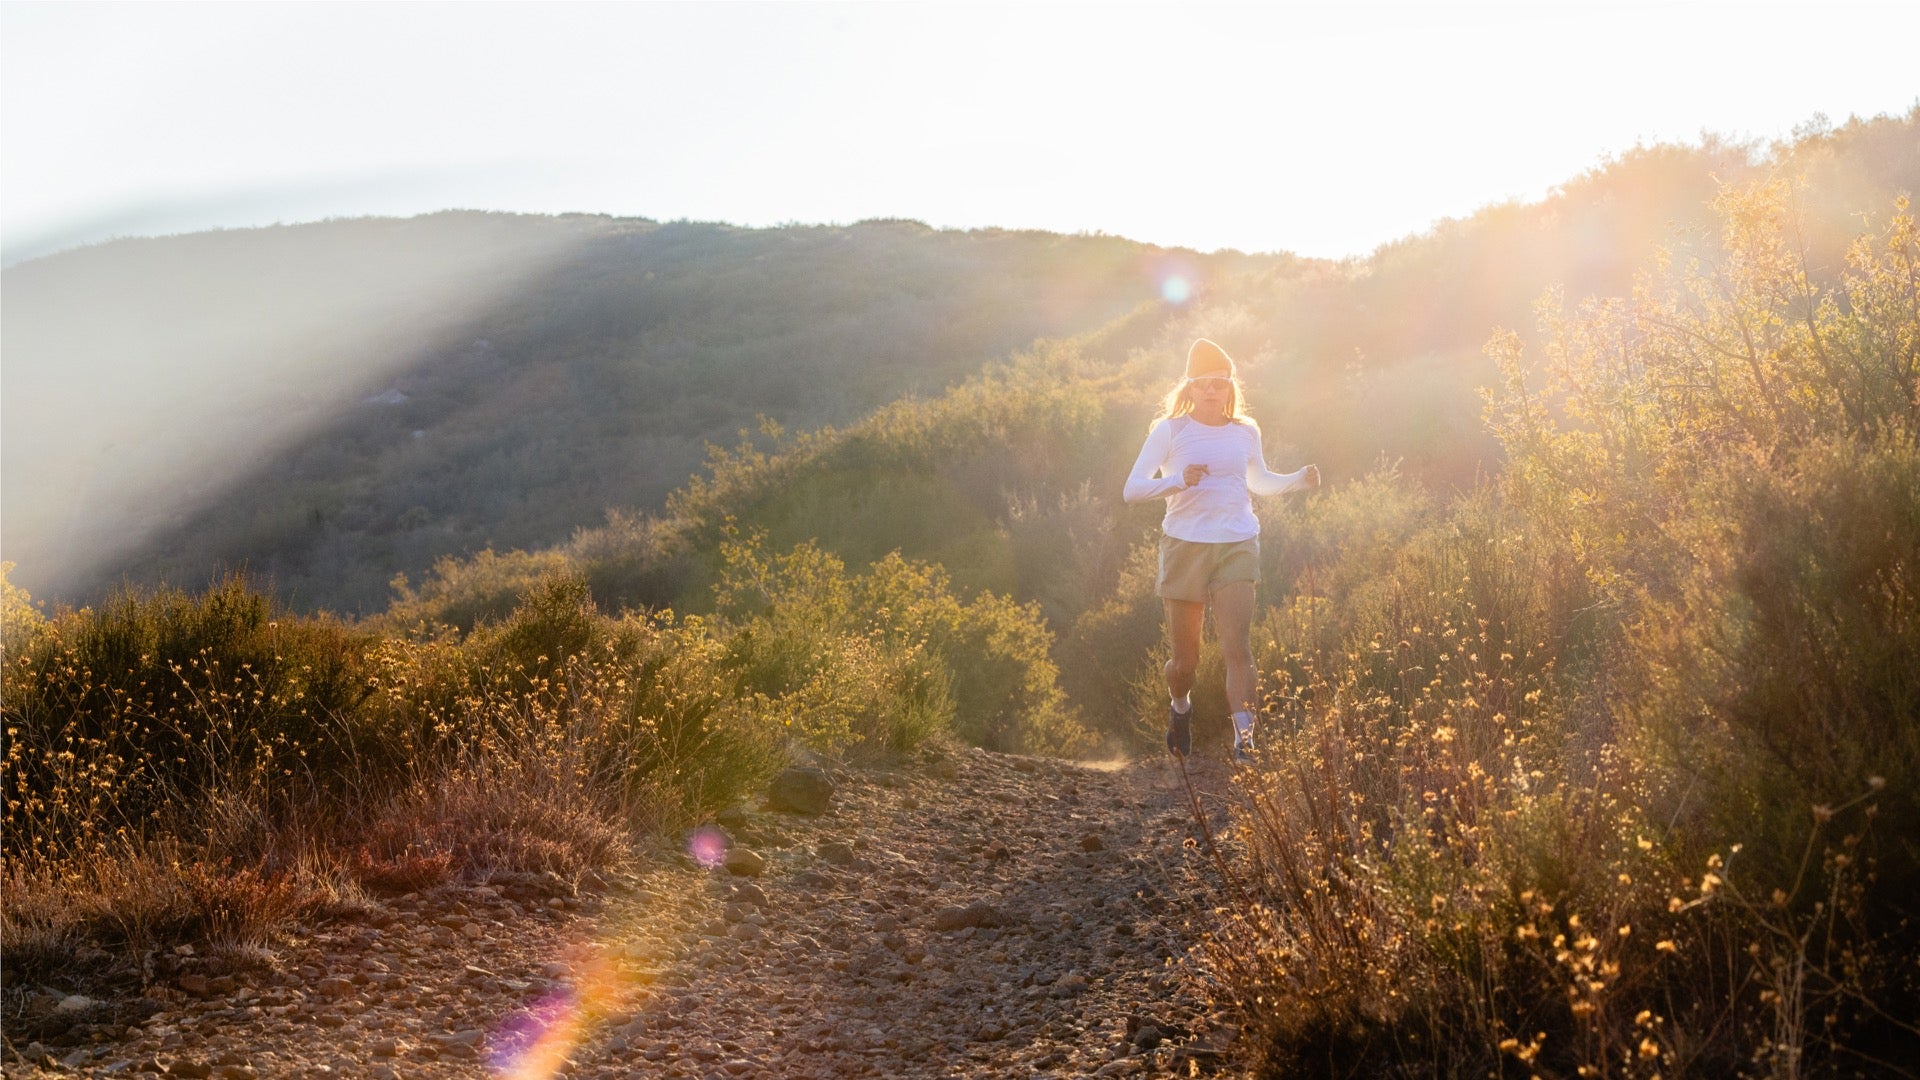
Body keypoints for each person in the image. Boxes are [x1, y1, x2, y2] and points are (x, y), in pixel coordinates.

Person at [1123, 338, 1318, 764]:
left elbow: (1258, 481)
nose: (1211, 391)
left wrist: (1297, 480)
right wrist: (1177, 481)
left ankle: (1245, 742)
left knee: (1238, 648)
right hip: (1185, 547)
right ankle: (1180, 709)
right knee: (1184, 662)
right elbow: (1131, 490)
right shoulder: (1171, 431)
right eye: (1203, 384)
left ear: (1230, 387)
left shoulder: (1246, 432)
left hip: (1236, 543)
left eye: (1219, 383)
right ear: (1190, 388)